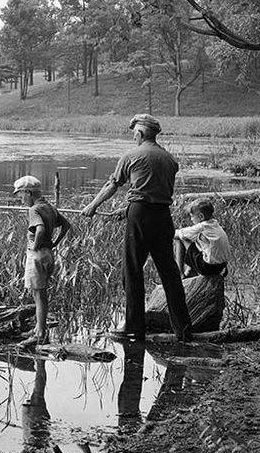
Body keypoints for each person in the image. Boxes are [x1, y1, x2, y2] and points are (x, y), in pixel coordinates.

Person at [80, 114, 191, 342]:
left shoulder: (131, 155)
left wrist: (92, 206)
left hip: (140, 215)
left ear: (140, 133)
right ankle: (183, 329)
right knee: (169, 272)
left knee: (131, 270)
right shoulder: (170, 159)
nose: (133, 136)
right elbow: (153, 191)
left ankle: (134, 329)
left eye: (134, 133)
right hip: (163, 217)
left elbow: (113, 185)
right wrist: (126, 209)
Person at [13, 175, 71, 345]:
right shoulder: (49, 207)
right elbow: (66, 225)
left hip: (37, 255)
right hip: (48, 255)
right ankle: (40, 328)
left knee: (38, 295)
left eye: (21, 195)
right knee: (41, 293)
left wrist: (35, 246)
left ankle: (40, 332)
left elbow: (40, 229)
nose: (21, 200)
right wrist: (54, 243)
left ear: (28, 192)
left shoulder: (34, 210)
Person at [173, 198, 230, 278]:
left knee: (180, 238)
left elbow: (176, 234)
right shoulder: (215, 225)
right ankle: (189, 272)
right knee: (193, 240)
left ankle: (179, 275)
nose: (191, 219)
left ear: (201, 216)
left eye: (192, 216)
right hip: (221, 267)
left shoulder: (202, 227)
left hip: (208, 267)